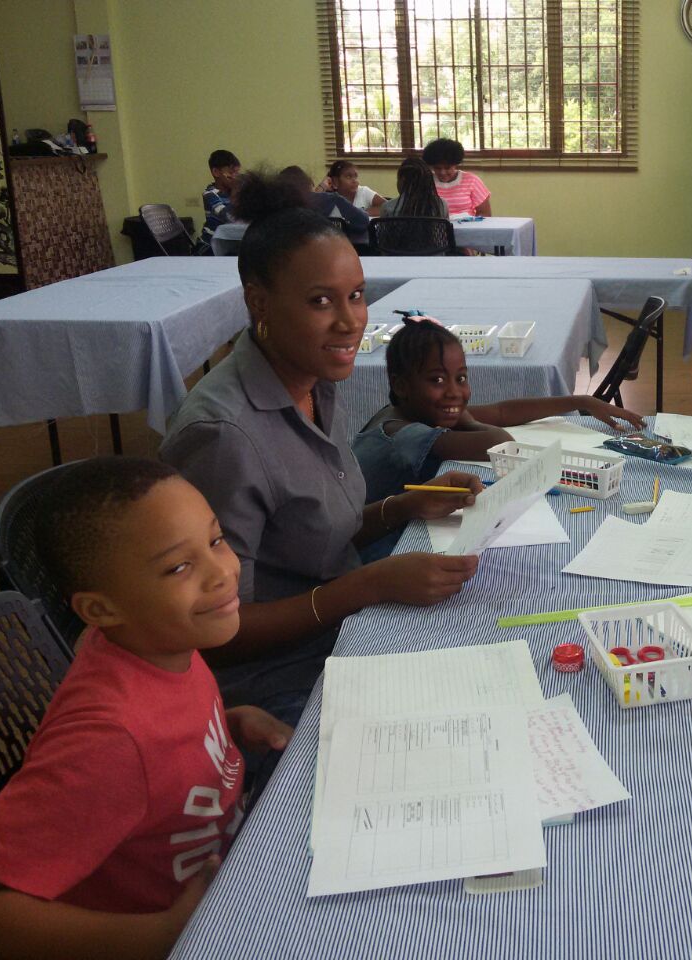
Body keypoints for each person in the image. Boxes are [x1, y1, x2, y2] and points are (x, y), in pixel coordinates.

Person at [160, 173, 483, 728]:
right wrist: (369, 584)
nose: (350, 321)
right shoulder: (223, 437)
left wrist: (404, 505)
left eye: (356, 295)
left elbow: (311, 538)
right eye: (320, 301)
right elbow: (214, 634)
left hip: (340, 621)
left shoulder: (313, 381)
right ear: (259, 302)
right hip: (276, 682)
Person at [0, 457, 291, 960]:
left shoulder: (161, 641)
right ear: (101, 610)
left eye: (215, 540)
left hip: (234, 864)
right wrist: (161, 936)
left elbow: (164, 748)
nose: (222, 572)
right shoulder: (107, 741)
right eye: (178, 567)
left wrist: (232, 723)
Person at [353, 316, 646, 505]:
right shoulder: (401, 433)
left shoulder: (413, 410)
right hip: (372, 546)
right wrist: (464, 417)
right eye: (437, 380)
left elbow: (502, 412)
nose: (454, 391)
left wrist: (580, 401)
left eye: (461, 378)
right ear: (401, 385)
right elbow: (499, 443)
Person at [277, 165, 370, 248]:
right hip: (333, 250)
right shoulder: (333, 199)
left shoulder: (276, 208)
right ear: (308, 184)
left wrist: (321, 188)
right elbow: (363, 221)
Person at [422, 137, 491, 216]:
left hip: (467, 224)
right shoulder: (425, 182)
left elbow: (484, 213)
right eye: (437, 168)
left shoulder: (471, 180)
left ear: (456, 164)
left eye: (447, 168)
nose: (442, 172)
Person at [380, 156, 448, 219]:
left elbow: (383, 228)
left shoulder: (388, 207)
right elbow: (445, 228)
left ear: (402, 180)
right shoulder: (441, 205)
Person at [201, 148, 240, 245]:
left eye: (237, 173)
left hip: (229, 241)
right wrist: (235, 192)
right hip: (210, 245)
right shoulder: (210, 194)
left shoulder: (231, 192)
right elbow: (229, 217)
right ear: (216, 172)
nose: (235, 177)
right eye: (231, 173)